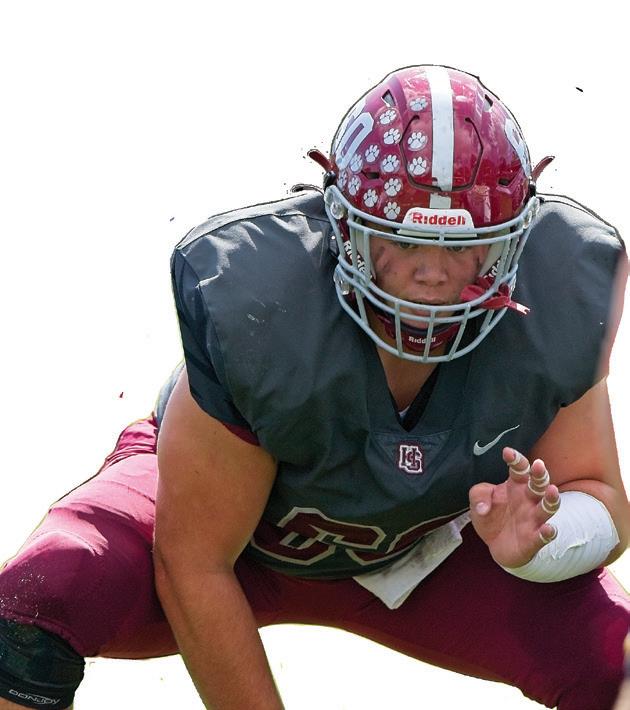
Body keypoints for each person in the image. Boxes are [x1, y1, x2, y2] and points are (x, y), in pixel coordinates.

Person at [0, 65, 628, 710]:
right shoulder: (263, 306)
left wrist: (540, 544)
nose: (431, 275)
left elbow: (605, 498)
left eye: (463, 246)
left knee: (622, 666)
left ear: (516, 239)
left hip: (421, 545)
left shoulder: (557, 301)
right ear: (341, 226)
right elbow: (194, 564)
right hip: (232, 538)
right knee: (37, 599)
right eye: (399, 239)